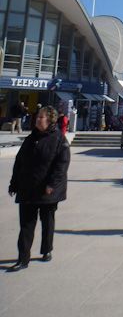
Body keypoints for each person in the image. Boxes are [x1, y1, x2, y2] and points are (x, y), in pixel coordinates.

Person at [8, 106, 70, 271]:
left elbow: (61, 166)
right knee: (26, 225)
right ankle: (23, 258)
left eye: (41, 118)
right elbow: (19, 162)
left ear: (50, 120)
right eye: (37, 117)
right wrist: (14, 182)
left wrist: (52, 185)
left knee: (47, 221)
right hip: (28, 188)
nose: (37, 120)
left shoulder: (59, 139)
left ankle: (46, 249)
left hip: (47, 190)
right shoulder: (30, 139)